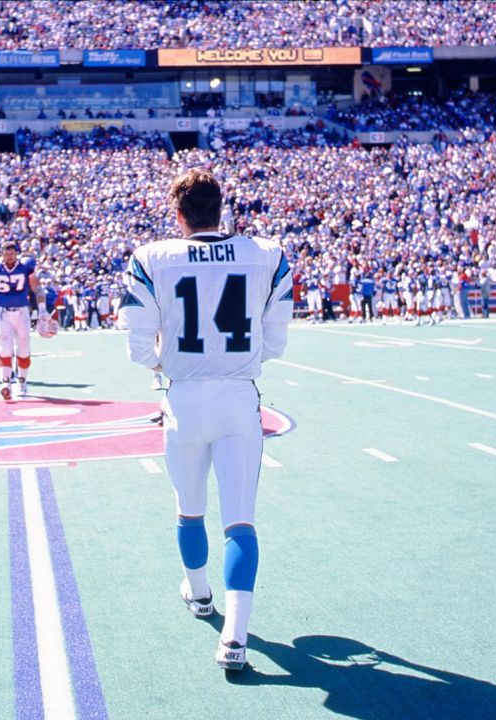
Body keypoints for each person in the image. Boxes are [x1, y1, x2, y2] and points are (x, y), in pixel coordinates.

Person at [119, 169, 293, 671]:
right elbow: (275, 343)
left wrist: (170, 360)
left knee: (188, 509)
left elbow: (137, 349)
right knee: (240, 522)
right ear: (222, 209)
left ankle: (199, 595)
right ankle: (234, 638)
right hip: (239, 396)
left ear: (179, 217)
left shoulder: (153, 258)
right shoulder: (267, 253)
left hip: (185, 398)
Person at [0, 240, 49, 400]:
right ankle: (5, 382)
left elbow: (37, 288)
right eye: (6, 254)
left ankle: (22, 381)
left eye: (12, 254)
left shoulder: (26, 266)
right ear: (1, 255)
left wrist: (42, 309)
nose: (9, 257)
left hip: (22, 312)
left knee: (24, 349)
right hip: (3, 313)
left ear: (16, 254)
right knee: (4, 348)